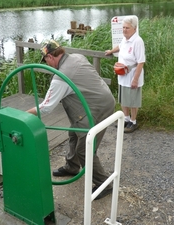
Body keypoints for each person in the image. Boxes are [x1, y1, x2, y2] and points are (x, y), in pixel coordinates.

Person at [27, 39, 116, 200]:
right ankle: (72, 167)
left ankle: (104, 184)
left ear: (51, 57)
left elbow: (46, 107)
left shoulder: (61, 77)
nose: (46, 63)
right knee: (73, 132)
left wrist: (25, 114)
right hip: (102, 100)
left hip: (98, 108)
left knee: (85, 149)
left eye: (45, 60)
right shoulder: (77, 57)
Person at [105, 15, 146, 133]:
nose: (124, 30)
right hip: (122, 74)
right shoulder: (125, 39)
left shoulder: (138, 41)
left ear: (134, 28)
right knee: (124, 98)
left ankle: (133, 121)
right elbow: (120, 46)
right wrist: (111, 51)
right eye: (123, 27)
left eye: (127, 28)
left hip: (132, 74)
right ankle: (126, 119)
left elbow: (141, 62)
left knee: (133, 99)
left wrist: (135, 79)